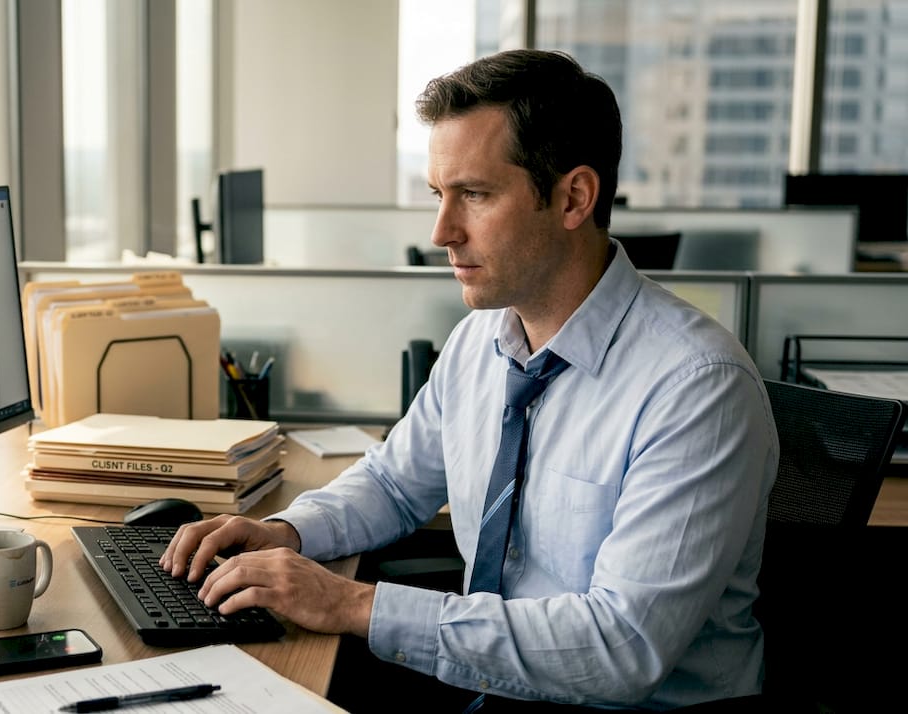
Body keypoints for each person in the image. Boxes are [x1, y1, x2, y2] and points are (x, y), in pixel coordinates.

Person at [161, 49, 777, 711]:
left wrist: (350, 603)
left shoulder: (696, 387)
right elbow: (397, 483)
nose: (441, 232)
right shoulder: (483, 338)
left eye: (475, 195)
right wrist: (290, 532)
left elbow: (619, 649)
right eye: (438, 194)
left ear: (573, 197)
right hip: (495, 686)